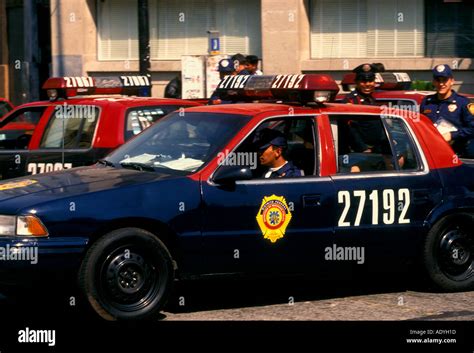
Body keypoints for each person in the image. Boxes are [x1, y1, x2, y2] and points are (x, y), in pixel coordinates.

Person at [420, 64, 474, 158]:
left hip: (457, 155)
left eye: (444, 80)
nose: (441, 84)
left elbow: (472, 128)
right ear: (433, 82)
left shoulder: (463, 103)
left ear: (452, 81)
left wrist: (452, 135)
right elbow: (421, 127)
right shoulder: (427, 102)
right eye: (438, 80)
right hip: (433, 154)